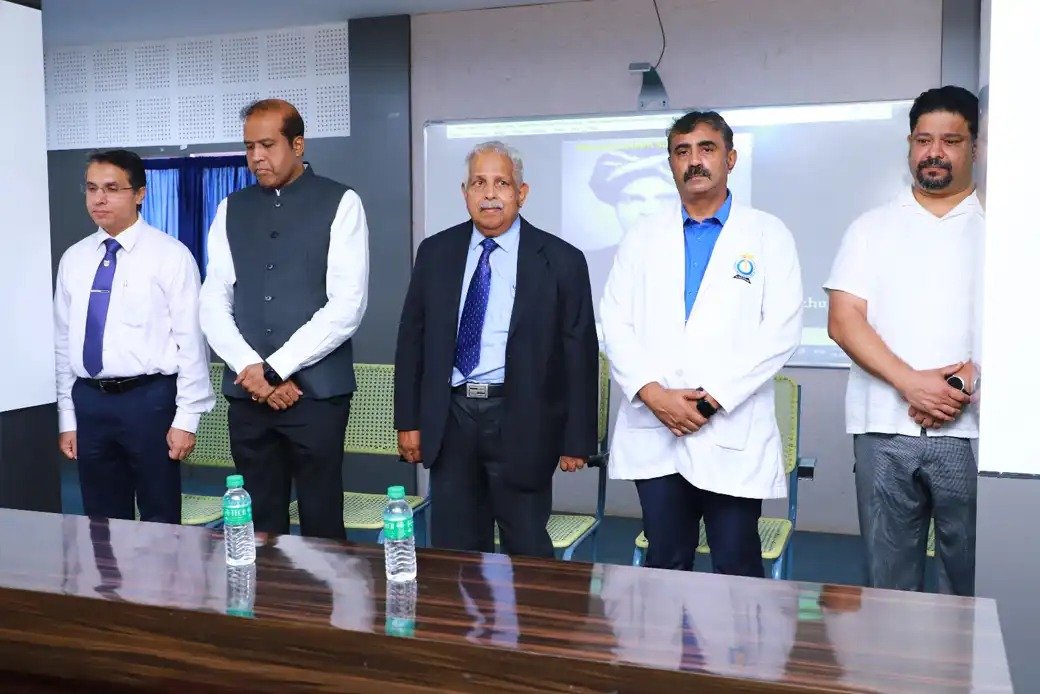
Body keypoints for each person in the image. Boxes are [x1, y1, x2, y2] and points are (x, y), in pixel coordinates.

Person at [600, 111, 803, 576]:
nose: (694, 160)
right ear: (671, 163)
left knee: (736, 567)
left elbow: (782, 330)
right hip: (656, 426)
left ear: (730, 158)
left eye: (707, 149)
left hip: (730, 427)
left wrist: (711, 401)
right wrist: (654, 395)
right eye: (682, 151)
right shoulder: (641, 235)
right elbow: (614, 320)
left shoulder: (768, 234)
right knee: (666, 563)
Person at [394, 140, 598, 558]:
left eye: (501, 183)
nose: (489, 194)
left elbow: (579, 353)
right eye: (478, 183)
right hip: (451, 418)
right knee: (454, 554)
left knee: (527, 551)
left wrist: (577, 438)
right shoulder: (435, 253)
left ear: (521, 193)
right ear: (465, 192)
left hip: (522, 419)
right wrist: (409, 420)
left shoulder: (562, 260)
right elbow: (412, 340)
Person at [825, 86, 982, 596]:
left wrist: (966, 378)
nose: (934, 152)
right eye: (922, 140)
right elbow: (843, 320)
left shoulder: (1004, 229)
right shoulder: (870, 228)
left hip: (974, 429)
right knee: (888, 586)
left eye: (950, 141)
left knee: (974, 582)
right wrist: (911, 383)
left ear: (974, 147)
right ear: (910, 145)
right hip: (883, 427)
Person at [199, 99, 369, 540]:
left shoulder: (341, 201)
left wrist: (274, 369)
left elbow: (347, 305)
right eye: (249, 146)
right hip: (249, 397)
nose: (257, 156)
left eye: (268, 145)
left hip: (316, 397)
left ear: (297, 144)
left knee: (321, 522)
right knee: (256, 523)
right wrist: (251, 369)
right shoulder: (231, 208)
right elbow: (213, 299)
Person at [54, 149, 213, 524]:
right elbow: (63, 342)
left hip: (149, 401)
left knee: (160, 520)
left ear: (139, 193)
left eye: (112, 188)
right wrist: (68, 417)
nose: (99, 198)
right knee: (101, 523)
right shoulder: (74, 259)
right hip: (90, 401)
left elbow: (192, 343)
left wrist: (187, 418)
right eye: (92, 188)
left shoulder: (170, 256)